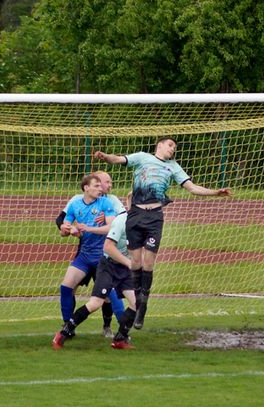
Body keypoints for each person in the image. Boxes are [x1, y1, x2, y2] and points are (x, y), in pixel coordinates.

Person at [94, 137, 232, 329]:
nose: (172, 150)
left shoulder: (173, 167)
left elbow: (192, 187)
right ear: (159, 145)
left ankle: (142, 307)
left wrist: (216, 192)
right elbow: (118, 160)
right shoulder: (142, 157)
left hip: (154, 218)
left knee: (148, 263)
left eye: (174, 148)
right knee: (135, 263)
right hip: (135, 215)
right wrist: (104, 156)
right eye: (170, 146)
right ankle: (137, 300)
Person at [55, 196, 138, 350]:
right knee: (95, 303)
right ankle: (64, 332)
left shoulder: (142, 223)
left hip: (124, 268)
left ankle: (120, 338)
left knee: (136, 302)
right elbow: (108, 247)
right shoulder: (121, 220)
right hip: (109, 266)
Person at [55, 171, 126, 337]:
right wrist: (68, 230)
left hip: (104, 256)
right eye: (97, 185)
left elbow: (112, 227)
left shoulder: (106, 203)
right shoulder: (75, 203)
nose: (101, 188)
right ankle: (68, 327)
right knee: (66, 287)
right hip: (85, 255)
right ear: (86, 188)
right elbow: (64, 228)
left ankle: (122, 330)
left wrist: (88, 228)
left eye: (102, 185)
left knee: (111, 294)